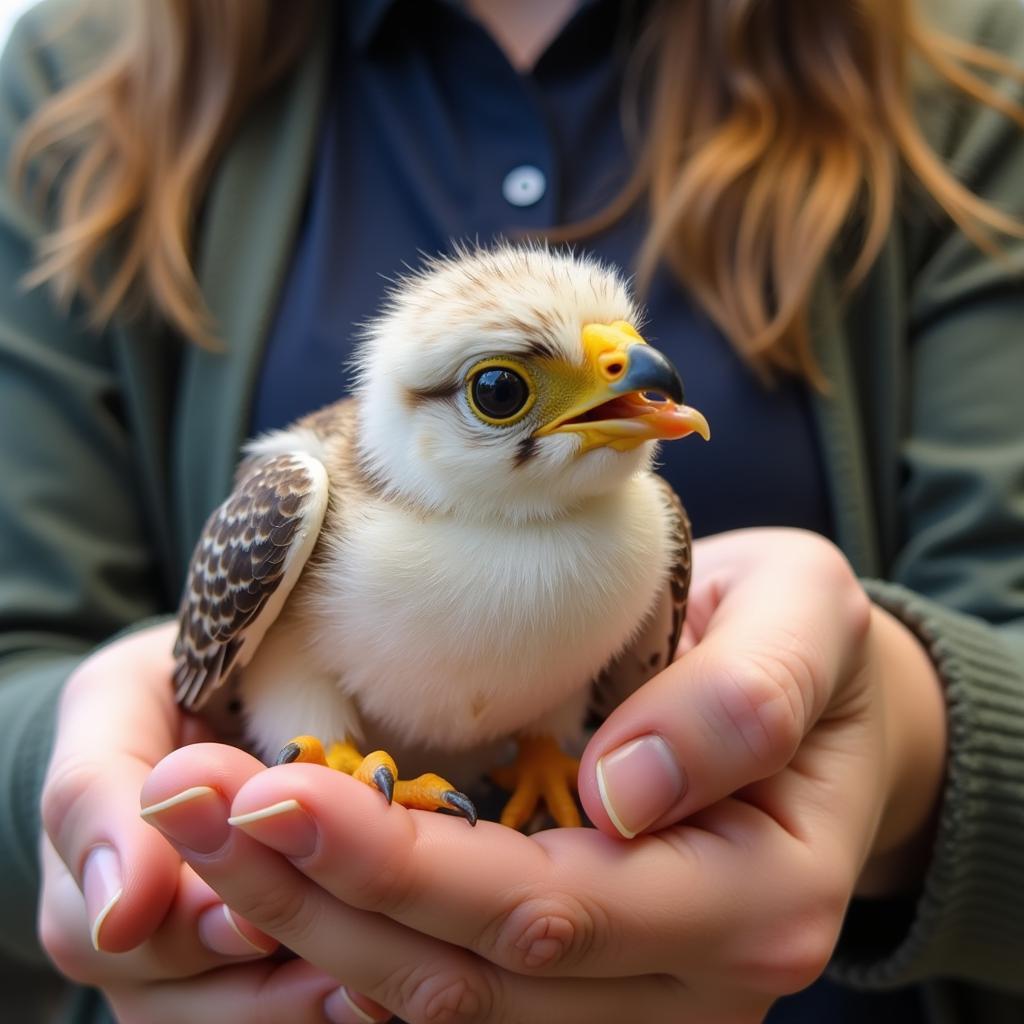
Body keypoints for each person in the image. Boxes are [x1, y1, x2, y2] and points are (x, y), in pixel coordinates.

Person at [1, 0, 1022, 1021]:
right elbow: (31, 642)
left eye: (617, 358)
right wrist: (85, 786)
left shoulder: (970, 60)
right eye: (503, 392)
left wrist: (909, 746)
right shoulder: (77, 78)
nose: (620, 384)